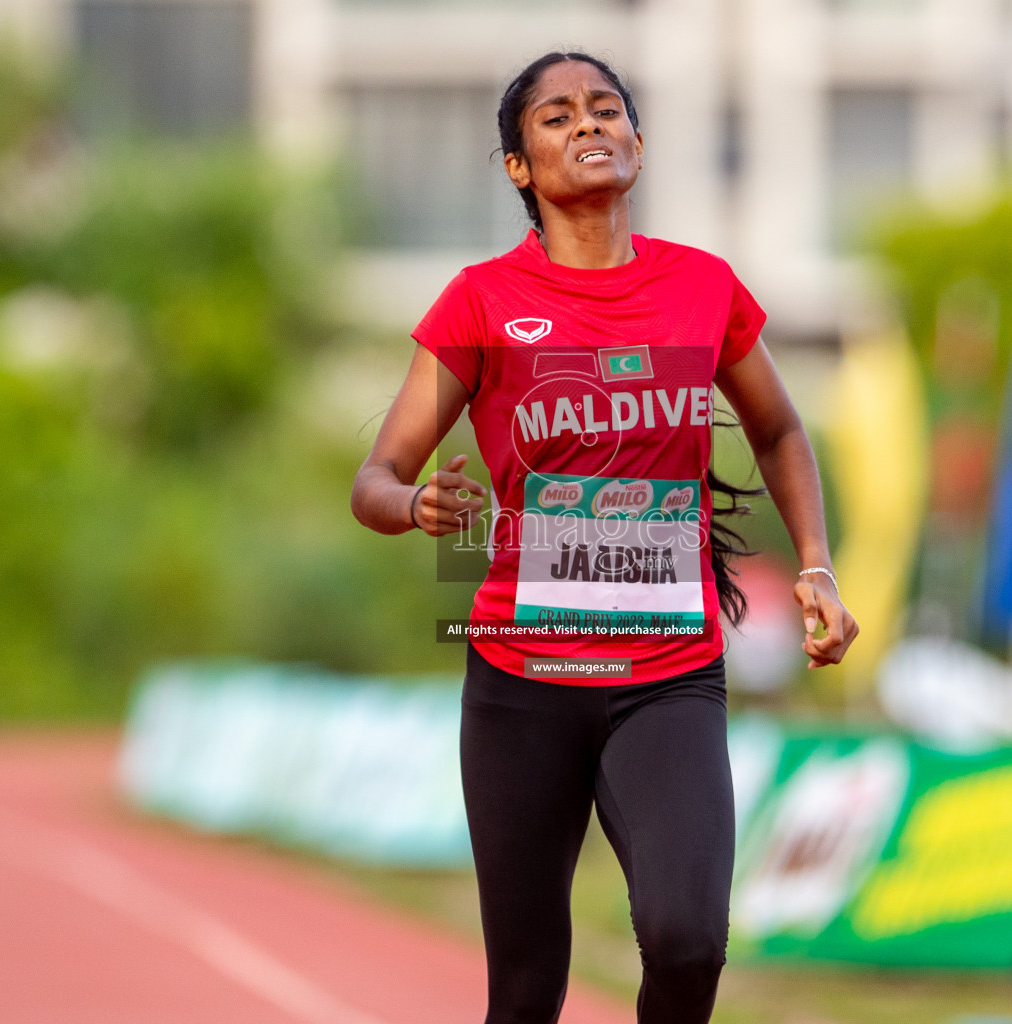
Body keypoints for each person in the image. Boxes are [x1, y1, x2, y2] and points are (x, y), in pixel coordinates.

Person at [351, 51, 856, 1024]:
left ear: (637, 140)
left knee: (688, 939)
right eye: (556, 117)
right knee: (528, 986)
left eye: (606, 109)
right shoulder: (481, 301)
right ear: (517, 167)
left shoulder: (703, 288)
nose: (588, 126)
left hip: (667, 673)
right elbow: (377, 478)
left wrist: (817, 566)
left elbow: (780, 430)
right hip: (521, 682)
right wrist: (412, 506)